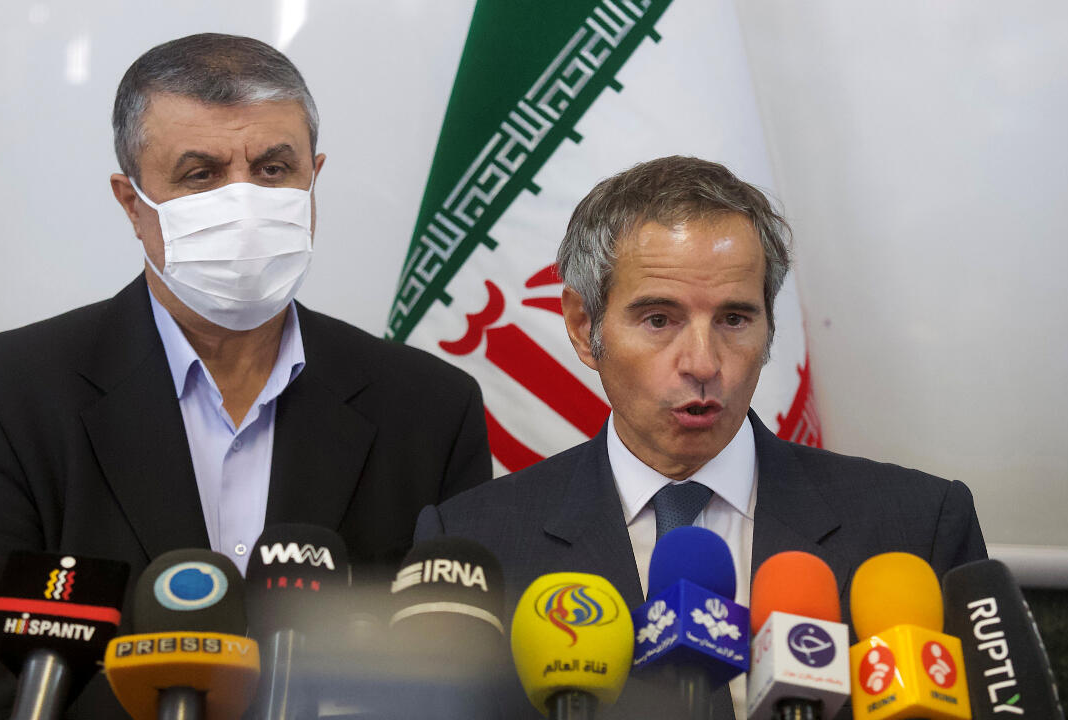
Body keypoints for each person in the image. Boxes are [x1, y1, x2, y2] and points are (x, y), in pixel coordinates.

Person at [0, 33, 492, 718]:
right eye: (201, 175)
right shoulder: (4, 397)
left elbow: (458, 669)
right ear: (132, 204)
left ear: (313, 179)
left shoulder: (429, 408)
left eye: (273, 169)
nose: (243, 203)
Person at [415, 156, 986, 719]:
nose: (704, 363)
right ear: (584, 327)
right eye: (659, 319)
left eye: (734, 319)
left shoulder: (918, 528)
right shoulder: (475, 545)